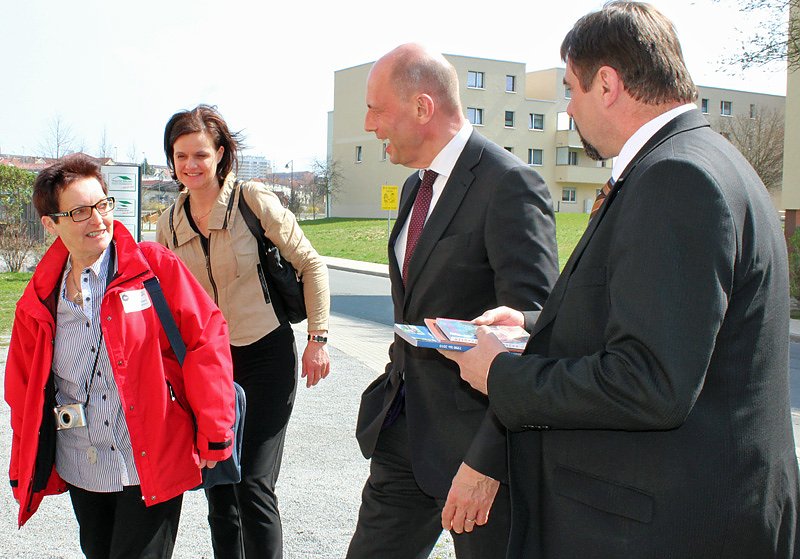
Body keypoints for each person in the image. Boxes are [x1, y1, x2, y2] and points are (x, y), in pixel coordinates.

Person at [444, 3, 800, 558]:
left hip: (671, 528)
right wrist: (532, 324)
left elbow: (651, 381)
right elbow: (657, 317)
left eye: (570, 89)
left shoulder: (676, 178)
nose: (567, 110)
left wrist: (502, 375)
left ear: (606, 84)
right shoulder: (704, 159)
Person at [346, 44, 559, 559]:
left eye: (377, 109)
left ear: (422, 107)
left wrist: (488, 462)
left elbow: (534, 336)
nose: (370, 125)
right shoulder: (415, 187)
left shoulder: (510, 185)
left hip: (480, 452)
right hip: (404, 433)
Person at [5, 153, 235, 559]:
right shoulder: (38, 300)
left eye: (102, 205)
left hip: (150, 456)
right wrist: (25, 460)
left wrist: (214, 433)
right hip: (82, 463)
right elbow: (22, 388)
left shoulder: (154, 268)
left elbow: (206, 341)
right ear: (50, 223)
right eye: (79, 211)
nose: (98, 219)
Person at [156, 104, 330, 559]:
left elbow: (311, 265)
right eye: (180, 156)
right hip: (209, 367)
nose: (190, 166)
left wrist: (318, 338)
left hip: (265, 356)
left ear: (220, 154)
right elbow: (162, 301)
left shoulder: (252, 201)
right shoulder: (167, 224)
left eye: (199, 155)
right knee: (219, 489)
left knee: (252, 483)